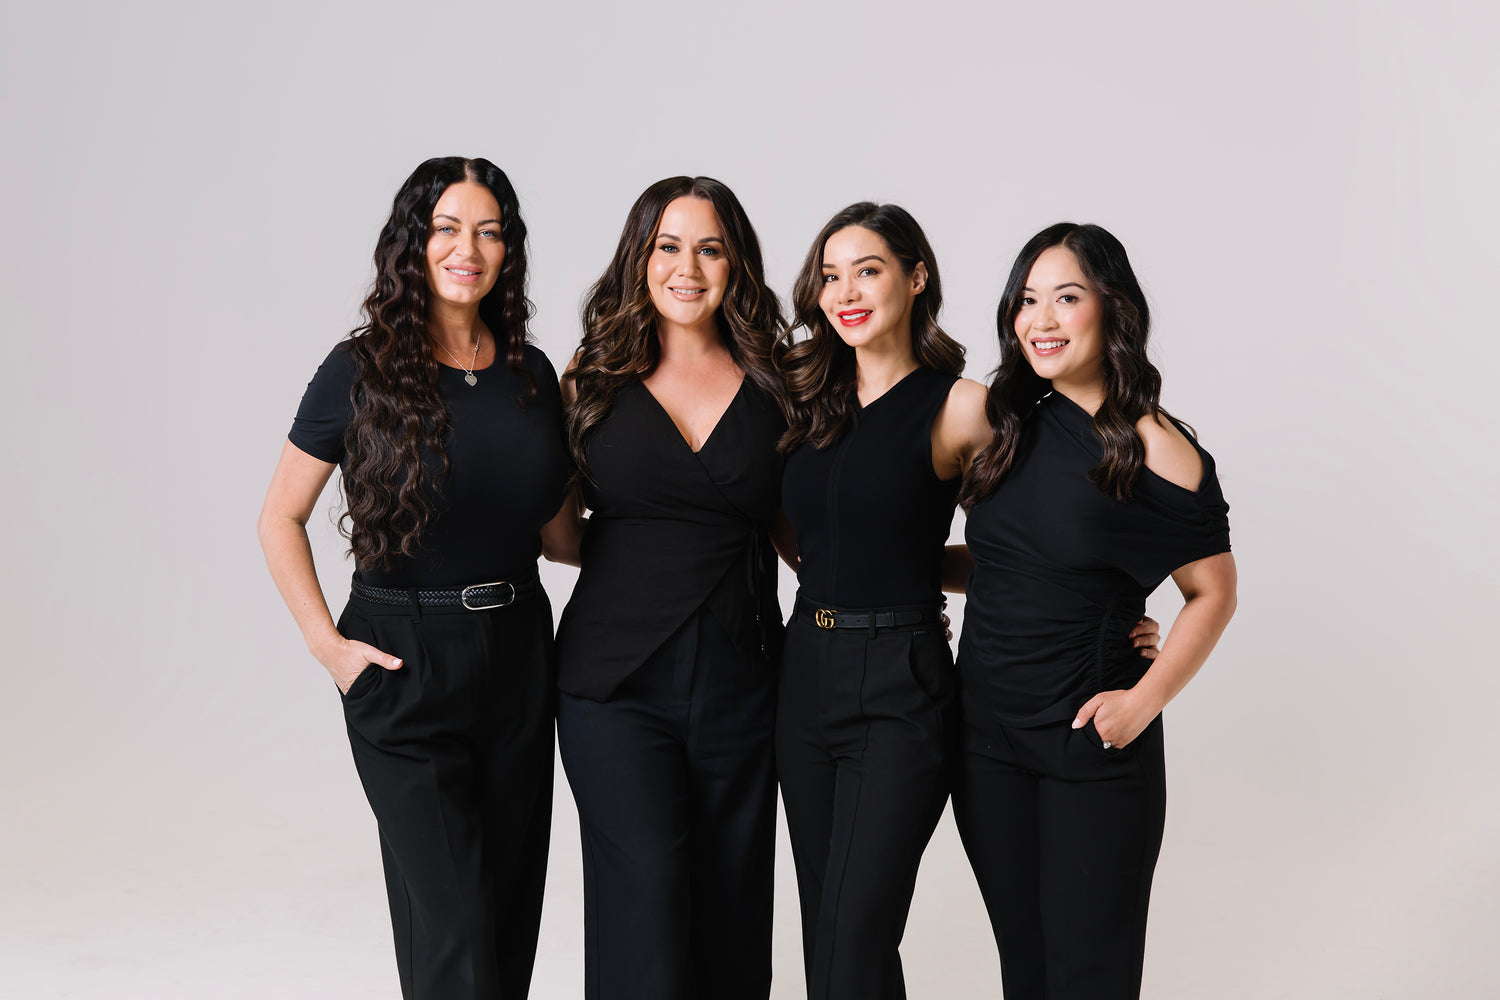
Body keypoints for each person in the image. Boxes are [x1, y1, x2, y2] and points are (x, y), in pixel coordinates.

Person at [773, 204, 1158, 1000]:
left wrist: (1109, 609)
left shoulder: (961, 408)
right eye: (831, 274)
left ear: (915, 279)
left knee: (854, 932)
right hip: (802, 673)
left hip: (901, 685)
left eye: (868, 270)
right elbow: (803, 531)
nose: (845, 290)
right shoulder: (804, 395)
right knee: (833, 935)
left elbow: (1025, 544)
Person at [256, 156, 573, 1000]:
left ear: (509, 250)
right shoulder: (358, 369)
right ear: (413, 243)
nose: (468, 248)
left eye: (489, 230)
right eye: (447, 228)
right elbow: (278, 518)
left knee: (506, 920)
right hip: (400, 657)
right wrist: (331, 648)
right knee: (455, 925)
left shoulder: (533, 376)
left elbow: (557, 535)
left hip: (516, 651)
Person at [952, 223, 1238, 1000]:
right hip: (984, 741)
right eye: (1027, 301)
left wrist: (1144, 701)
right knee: (1027, 969)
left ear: (1112, 307)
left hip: (1091, 744)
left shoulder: (1159, 446)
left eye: (1065, 298)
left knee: (1089, 977)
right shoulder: (1011, 425)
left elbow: (1213, 591)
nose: (1040, 320)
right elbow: (1006, 563)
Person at [553, 176, 790, 1000]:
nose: (688, 267)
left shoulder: (780, 383)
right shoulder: (588, 379)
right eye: (668, 246)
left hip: (744, 683)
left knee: (731, 914)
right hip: (612, 687)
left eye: (711, 247)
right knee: (642, 908)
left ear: (736, 265)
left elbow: (812, 539)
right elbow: (557, 536)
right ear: (640, 257)